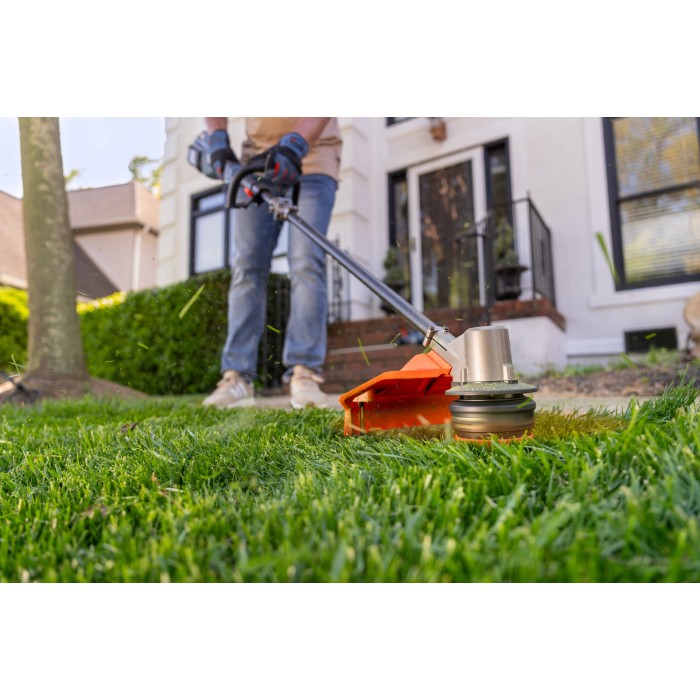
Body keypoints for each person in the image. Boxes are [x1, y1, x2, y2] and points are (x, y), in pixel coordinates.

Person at [199, 118, 342, 409]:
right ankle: (237, 377)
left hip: (315, 159)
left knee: (306, 260)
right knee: (247, 267)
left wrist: (296, 143)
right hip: (255, 165)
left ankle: (304, 372)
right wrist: (217, 139)